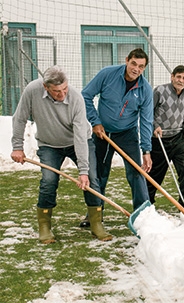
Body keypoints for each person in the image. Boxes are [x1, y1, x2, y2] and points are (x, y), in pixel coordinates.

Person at [12, 66, 112, 243]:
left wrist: (82, 171)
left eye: (65, 88)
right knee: (49, 181)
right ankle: (44, 227)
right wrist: (17, 147)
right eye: (57, 91)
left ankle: (96, 224)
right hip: (49, 144)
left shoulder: (76, 98)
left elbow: (81, 136)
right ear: (46, 87)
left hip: (77, 142)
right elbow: (19, 118)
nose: (62, 93)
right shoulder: (32, 91)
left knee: (91, 178)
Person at [82, 48, 153, 219]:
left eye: (141, 66)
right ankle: (94, 213)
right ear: (127, 60)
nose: (136, 69)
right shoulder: (107, 74)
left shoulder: (145, 90)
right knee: (98, 174)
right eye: (134, 63)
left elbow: (146, 121)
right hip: (102, 133)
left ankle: (142, 215)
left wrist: (146, 150)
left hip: (127, 134)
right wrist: (95, 122)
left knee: (137, 173)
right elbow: (85, 96)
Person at [148, 65, 184, 208]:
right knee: (156, 174)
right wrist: (155, 125)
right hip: (160, 139)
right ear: (172, 76)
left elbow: (183, 109)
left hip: (178, 137)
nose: (180, 80)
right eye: (178, 77)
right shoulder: (160, 91)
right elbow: (147, 112)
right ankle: (147, 203)